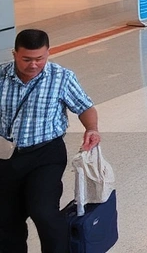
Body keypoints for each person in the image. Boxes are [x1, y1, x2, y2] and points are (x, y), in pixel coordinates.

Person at [1, 29, 101, 253]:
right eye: (27, 59)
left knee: (43, 212)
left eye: (40, 58)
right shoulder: (1, 77)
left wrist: (91, 129)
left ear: (48, 53)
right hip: (6, 157)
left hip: (46, 154)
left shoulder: (61, 77)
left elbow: (85, 107)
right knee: (6, 219)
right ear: (15, 54)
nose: (34, 65)